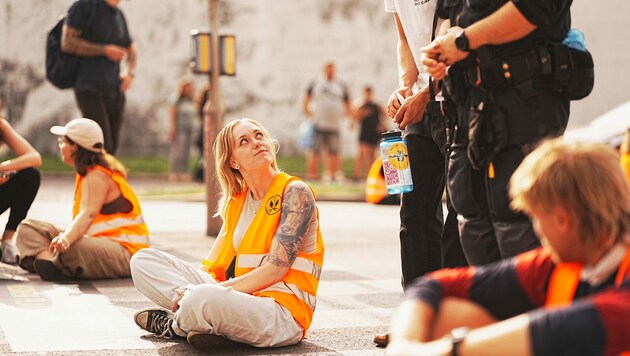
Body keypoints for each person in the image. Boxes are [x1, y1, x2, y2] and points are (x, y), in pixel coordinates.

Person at [386, 138, 630, 356]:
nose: (536, 228)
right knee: (447, 314)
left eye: (535, 216)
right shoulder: (557, 264)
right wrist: (405, 343)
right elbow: (436, 285)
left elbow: (570, 327)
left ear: (562, 219)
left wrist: (451, 349)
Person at [130, 118, 325, 351]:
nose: (256, 143)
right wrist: (195, 288)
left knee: (199, 299)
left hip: (281, 313)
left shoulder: (296, 192)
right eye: (244, 141)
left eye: (259, 135)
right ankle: (205, 322)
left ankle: (176, 324)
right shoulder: (237, 202)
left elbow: (276, 269)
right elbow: (210, 267)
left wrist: (200, 293)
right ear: (233, 161)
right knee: (142, 260)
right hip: (239, 298)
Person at [421, 1, 575, 265]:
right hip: (468, 105)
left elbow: (536, 8)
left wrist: (464, 41)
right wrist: (440, 50)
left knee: (521, 219)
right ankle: (491, 302)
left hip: (525, 98)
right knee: (470, 216)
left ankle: (527, 305)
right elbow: (448, 13)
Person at [14, 118, 149, 281]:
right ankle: (50, 262)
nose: (60, 146)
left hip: (127, 253)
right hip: (100, 243)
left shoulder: (97, 175)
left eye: (62, 142)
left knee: (70, 246)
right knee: (28, 228)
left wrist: (65, 239)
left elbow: (88, 214)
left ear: (75, 147)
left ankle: (50, 261)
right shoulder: (88, 173)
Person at [61, 0, 136, 154]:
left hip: (115, 90)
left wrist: (130, 74)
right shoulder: (85, 6)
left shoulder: (119, 15)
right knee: (100, 146)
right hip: (89, 88)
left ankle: (105, 177)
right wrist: (104, 50)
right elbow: (67, 42)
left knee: (112, 149)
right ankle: (92, 177)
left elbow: (132, 49)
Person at [0, 116, 42, 264]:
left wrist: (2, 168)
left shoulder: (1, 126)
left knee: (30, 176)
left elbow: (34, 157)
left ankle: (6, 242)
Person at [303, 61, 351, 183]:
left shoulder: (340, 84)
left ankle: (333, 176)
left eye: (332, 69)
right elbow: (306, 98)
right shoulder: (316, 83)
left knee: (334, 151)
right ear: (324, 70)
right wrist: (308, 113)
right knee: (315, 151)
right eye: (328, 69)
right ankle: (312, 176)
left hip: (334, 124)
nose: (330, 72)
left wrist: (348, 117)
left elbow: (347, 102)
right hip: (318, 124)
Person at [353, 86, 387, 181]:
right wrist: (365, 113)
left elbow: (385, 114)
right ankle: (357, 176)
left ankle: (371, 175)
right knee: (362, 154)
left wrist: (382, 125)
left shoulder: (376, 105)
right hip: (364, 132)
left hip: (373, 133)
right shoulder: (361, 105)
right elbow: (356, 117)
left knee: (372, 155)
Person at [168, 78, 196, 182]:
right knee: (178, 151)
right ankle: (174, 172)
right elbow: (172, 114)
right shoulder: (177, 99)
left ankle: (184, 172)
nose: (188, 89)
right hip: (180, 128)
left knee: (187, 152)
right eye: (186, 86)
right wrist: (172, 128)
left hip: (190, 128)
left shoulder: (191, 99)